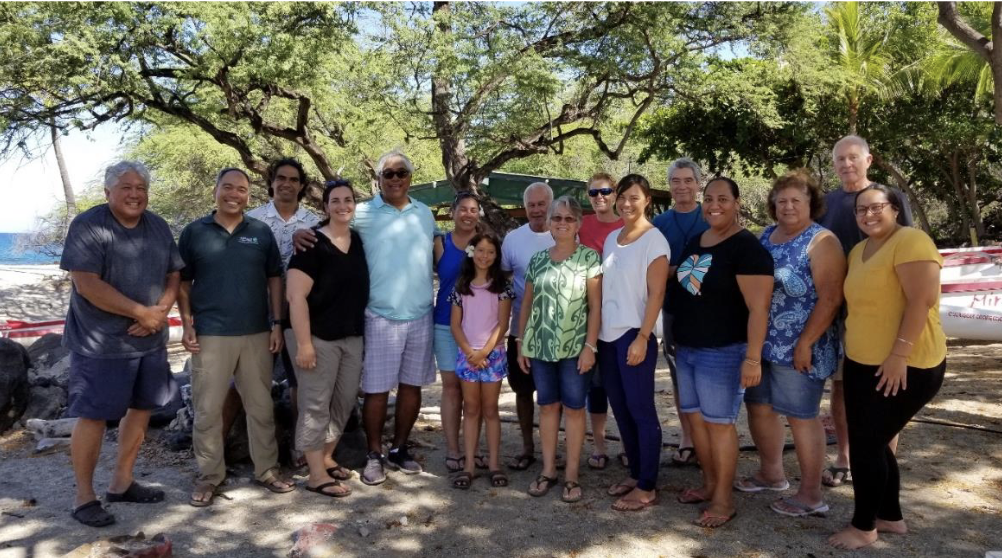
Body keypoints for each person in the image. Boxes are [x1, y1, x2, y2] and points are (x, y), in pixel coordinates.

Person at [293, 151, 437, 485]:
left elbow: (436, 246)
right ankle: (374, 454)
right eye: (389, 174)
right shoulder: (364, 213)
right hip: (380, 316)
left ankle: (399, 449)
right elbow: (333, 222)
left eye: (402, 172)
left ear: (410, 177)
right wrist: (303, 230)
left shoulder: (425, 213)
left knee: (412, 388)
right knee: (376, 390)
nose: (396, 179)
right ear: (380, 179)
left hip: (419, 314)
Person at [61, 161, 184, 527]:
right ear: (108, 192)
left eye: (140, 188)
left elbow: (174, 273)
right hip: (100, 343)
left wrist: (159, 312)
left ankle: (122, 482)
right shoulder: (89, 225)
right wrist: (140, 313)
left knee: (143, 408)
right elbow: (86, 283)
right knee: (94, 416)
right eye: (126, 187)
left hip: (150, 341)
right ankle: (84, 497)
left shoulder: (158, 225)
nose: (134, 194)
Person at [828, 185, 946, 550]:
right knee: (874, 443)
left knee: (866, 445)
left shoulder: (911, 241)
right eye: (861, 210)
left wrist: (899, 355)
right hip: (863, 363)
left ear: (895, 208)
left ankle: (864, 527)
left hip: (907, 363)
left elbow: (920, 302)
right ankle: (890, 516)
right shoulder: (860, 250)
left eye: (876, 207)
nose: (867, 214)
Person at [178, 167, 294, 507]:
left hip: (257, 333)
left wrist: (277, 323)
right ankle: (210, 475)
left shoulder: (259, 232)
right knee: (208, 409)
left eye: (241, 189)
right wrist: (187, 323)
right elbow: (182, 282)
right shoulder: (194, 232)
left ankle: (267, 470)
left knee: (260, 406)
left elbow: (275, 278)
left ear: (248, 194)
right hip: (210, 335)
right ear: (215, 190)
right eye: (227, 187)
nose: (234, 194)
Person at [736, 171, 845, 518]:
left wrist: (806, 343)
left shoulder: (822, 241)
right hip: (761, 345)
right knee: (760, 408)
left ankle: (811, 494)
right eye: (781, 200)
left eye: (796, 200)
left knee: (801, 417)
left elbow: (830, 298)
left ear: (811, 203)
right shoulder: (766, 236)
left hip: (801, 346)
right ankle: (772, 474)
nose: (788, 206)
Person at [667, 177, 774, 528]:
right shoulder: (698, 240)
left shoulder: (747, 248)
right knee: (696, 420)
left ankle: (724, 500)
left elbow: (759, 309)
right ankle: (710, 485)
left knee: (719, 424)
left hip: (723, 351)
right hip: (687, 348)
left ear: (737, 202)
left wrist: (753, 358)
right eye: (709, 198)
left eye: (723, 199)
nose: (714, 205)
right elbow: (679, 279)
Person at [818, 135, 915, 488]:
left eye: (853, 158)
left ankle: (882, 463)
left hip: (881, 311)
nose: (846, 164)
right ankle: (845, 457)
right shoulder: (824, 203)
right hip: (837, 311)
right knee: (842, 388)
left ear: (868, 160)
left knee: (885, 389)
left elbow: (907, 249)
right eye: (840, 159)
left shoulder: (888, 198)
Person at [285, 179, 369, 498]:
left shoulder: (358, 240)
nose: (343, 205)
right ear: (325, 207)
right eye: (335, 200)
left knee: (344, 401)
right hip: (317, 338)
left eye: (348, 199)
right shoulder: (311, 244)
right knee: (315, 405)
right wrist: (305, 344)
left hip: (352, 337)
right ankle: (316, 475)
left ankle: (327, 455)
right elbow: (296, 297)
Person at [517, 196, 602, 503]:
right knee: (548, 407)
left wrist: (590, 346)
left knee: (576, 409)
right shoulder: (537, 260)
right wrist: (520, 343)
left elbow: (595, 307)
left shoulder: (589, 259)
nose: (562, 223)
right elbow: (526, 304)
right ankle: (549, 470)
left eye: (568, 218)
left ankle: (572, 476)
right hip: (540, 347)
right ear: (550, 224)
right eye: (557, 218)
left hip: (575, 348)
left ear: (578, 224)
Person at [242, 158, 321, 465]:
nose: (287, 183)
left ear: (302, 186)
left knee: (300, 382)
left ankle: (301, 447)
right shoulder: (252, 220)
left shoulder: (313, 221)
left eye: (293, 179)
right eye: (281, 178)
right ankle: (259, 452)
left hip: (299, 314)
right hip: (256, 312)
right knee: (254, 381)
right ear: (271, 182)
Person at [599, 175, 670, 512]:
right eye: (622, 197)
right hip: (607, 336)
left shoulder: (654, 241)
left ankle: (647, 485)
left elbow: (657, 294)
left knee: (642, 410)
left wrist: (643, 336)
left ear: (647, 201)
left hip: (634, 334)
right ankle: (635, 472)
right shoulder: (613, 238)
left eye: (634, 197)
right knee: (621, 408)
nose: (627, 203)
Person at [652, 158, 710, 467]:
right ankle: (688, 438)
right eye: (676, 181)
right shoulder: (660, 224)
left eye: (688, 180)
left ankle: (711, 441)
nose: (682, 186)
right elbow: (655, 270)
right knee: (680, 377)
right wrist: (678, 270)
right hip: (674, 309)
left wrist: (677, 268)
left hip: (712, 311)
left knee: (709, 375)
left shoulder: (712, 215)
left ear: (698, 184)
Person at [449, 233, 515, 490]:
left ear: (496, 256)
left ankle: (495, 464)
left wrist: (485, 352)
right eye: (480, 250)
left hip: (492, 356)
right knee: (471, 409)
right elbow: (455, 324)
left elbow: (503, 323)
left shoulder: (502, 287)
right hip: (468, 356)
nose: (485, 256)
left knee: (490, 410)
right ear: (472, 252)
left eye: (490, 252)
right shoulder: (461, 286)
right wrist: (470, 352)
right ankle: (469, 466)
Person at [500, 182, 555, 471]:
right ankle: (527, 446)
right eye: (531, 205)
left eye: (541, 204)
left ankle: (551, 449)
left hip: (555, 330)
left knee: (551, 393)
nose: (536, 210)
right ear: (525, 207)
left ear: (550, 204)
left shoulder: (563, 233)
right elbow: (505, 278)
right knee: (522, 390)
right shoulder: (512, 240)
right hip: (521, 330)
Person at [434, 192, 482, 473]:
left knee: (473, 393)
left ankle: (473, 449)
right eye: (462, 209)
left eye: (473, 209)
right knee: (452, 389)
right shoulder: (441, 243)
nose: (468, 214)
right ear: (452, 212)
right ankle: (453, 449)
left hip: (477, 327)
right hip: (444, 323)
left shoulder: (486, 244)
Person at [577, 173, 623, 471]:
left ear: (615, 193)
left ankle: (630, 444)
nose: (600, 197)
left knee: (623, 384)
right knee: (595, 386)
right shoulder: (582, 226)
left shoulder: (627, 225)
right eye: (594, 192)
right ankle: (599, 445)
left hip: (622, 315)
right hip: (589, 315)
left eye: (605, 191)